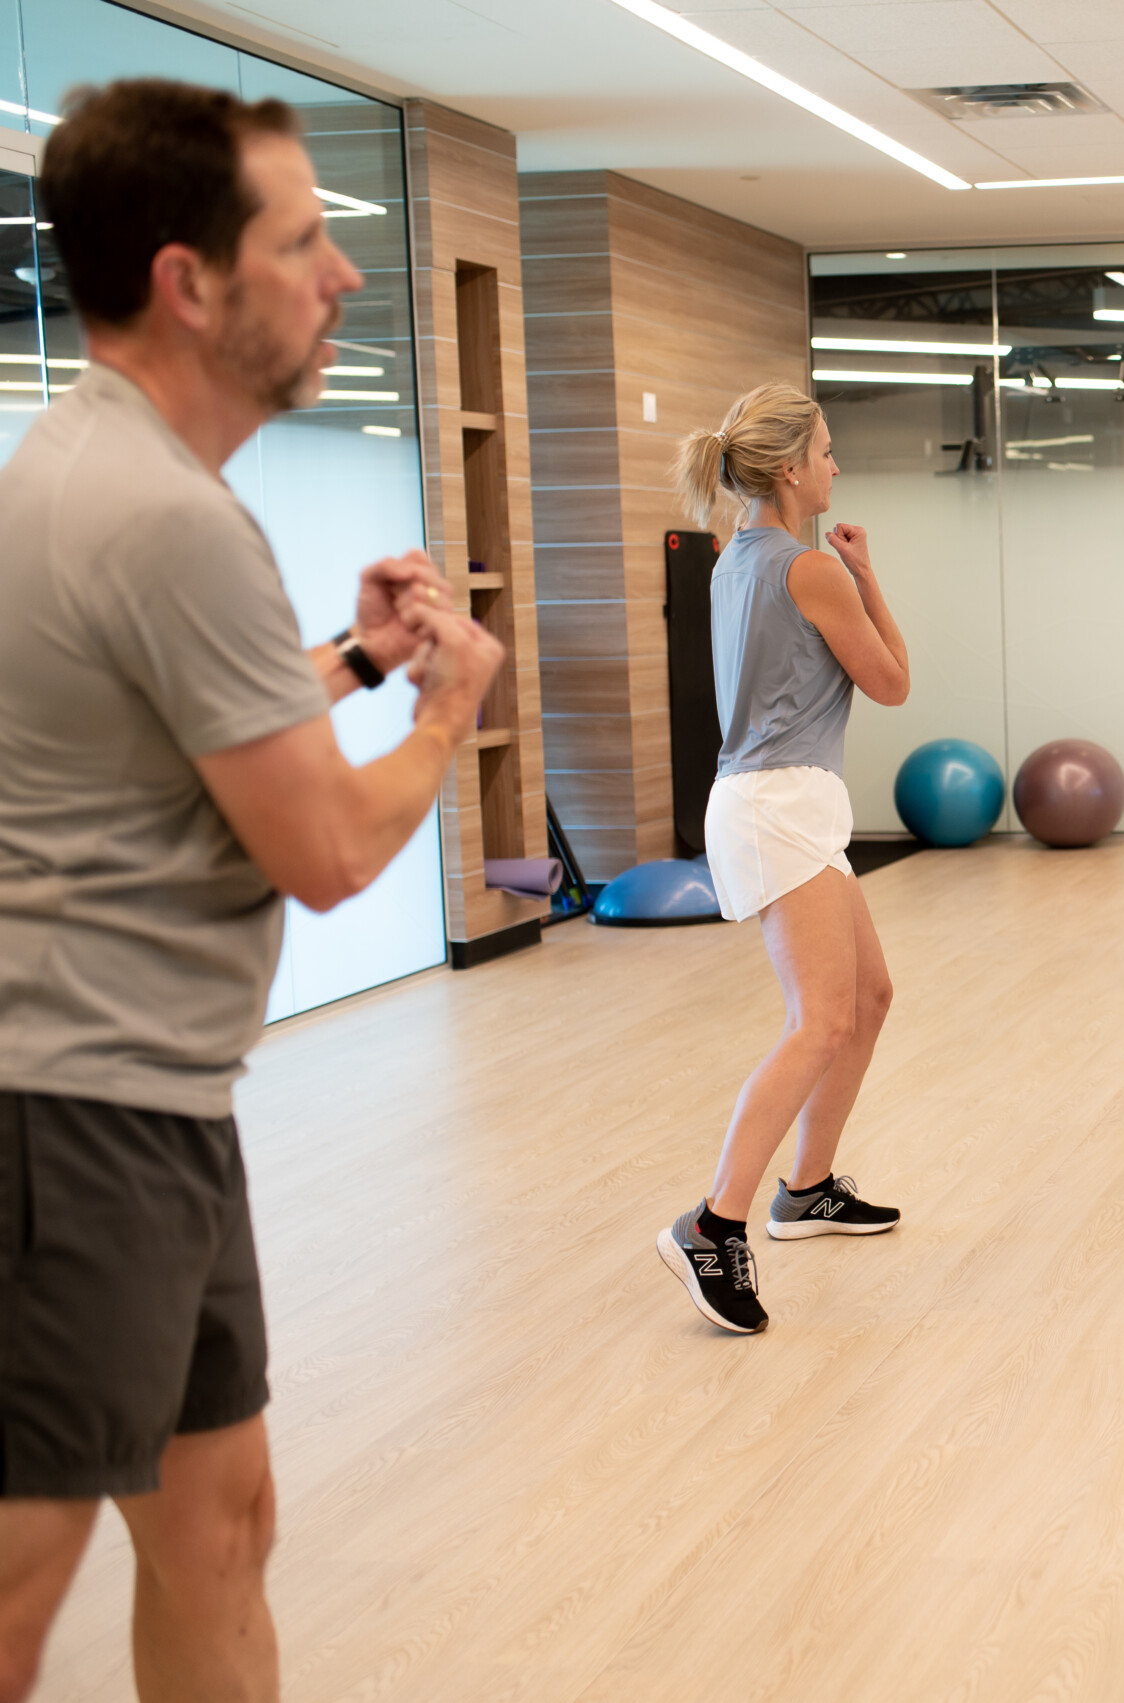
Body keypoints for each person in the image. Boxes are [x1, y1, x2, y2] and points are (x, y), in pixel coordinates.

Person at [0, 80, 506, 1702]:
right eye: (303, 242)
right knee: (20, 1572)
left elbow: (200, 738)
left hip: (145, 1098)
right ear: (187, 281)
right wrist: (442, 709)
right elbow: (335, 848)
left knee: (220, 1514)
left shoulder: (116, 478)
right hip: (64, 1106)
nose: (343, 276)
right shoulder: (163, 516)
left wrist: (358, 656)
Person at [658, 383, 912, 1336]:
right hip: (778, 803)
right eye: (829, 452)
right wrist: (868, 574)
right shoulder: (809, 568)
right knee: (821, 1020)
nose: (837, 467)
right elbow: (890, 681)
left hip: (782, 799)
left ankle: (806, 1190)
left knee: (869, 997)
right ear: (789, 468)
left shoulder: (737, 558)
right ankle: (713, 1222)